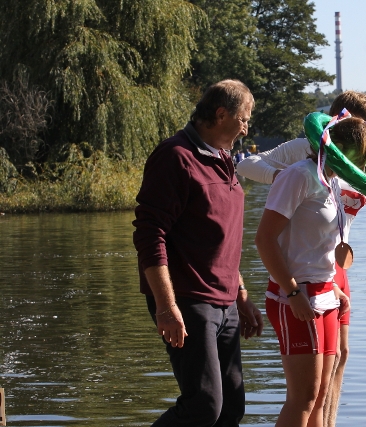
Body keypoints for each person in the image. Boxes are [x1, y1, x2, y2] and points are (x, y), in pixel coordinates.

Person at [236, 90, 366, 427]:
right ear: (342, 151)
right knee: (303, 398)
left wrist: (333, 287)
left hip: (324, 290)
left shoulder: (330, 180)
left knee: (320, 396)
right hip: (297, 294)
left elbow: (320, 243)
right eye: (360, 160)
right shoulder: (299, 174)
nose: (361, 169)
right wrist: (293, 291)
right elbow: (264, 240)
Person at [132, 79, 264, 427]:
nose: (246, 127)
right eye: (244, 118)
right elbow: (149, 234)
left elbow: (221, 238)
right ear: (221, 115)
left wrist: (241, 294)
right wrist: (166, 306)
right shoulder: (175, 156)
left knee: (230, 408)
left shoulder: (223, 159)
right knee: (203, 405)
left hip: (225, 302)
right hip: (187, 299)